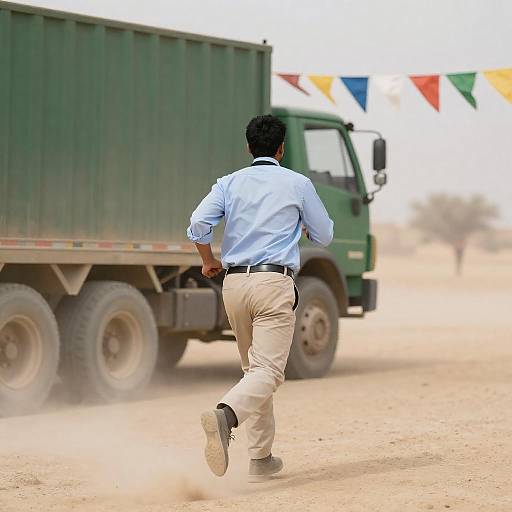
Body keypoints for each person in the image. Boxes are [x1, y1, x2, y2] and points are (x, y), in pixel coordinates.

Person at [186, 114, 333, 482]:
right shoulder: (297, 184)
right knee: (267, 371)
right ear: (281, 149)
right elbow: (325, 235)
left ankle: (261, 457)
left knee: (255, 371)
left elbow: (198, 224)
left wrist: (207, 262)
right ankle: (225, 415)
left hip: (233, 285)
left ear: (249, 147)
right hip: (273, 282)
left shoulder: (229, 183)